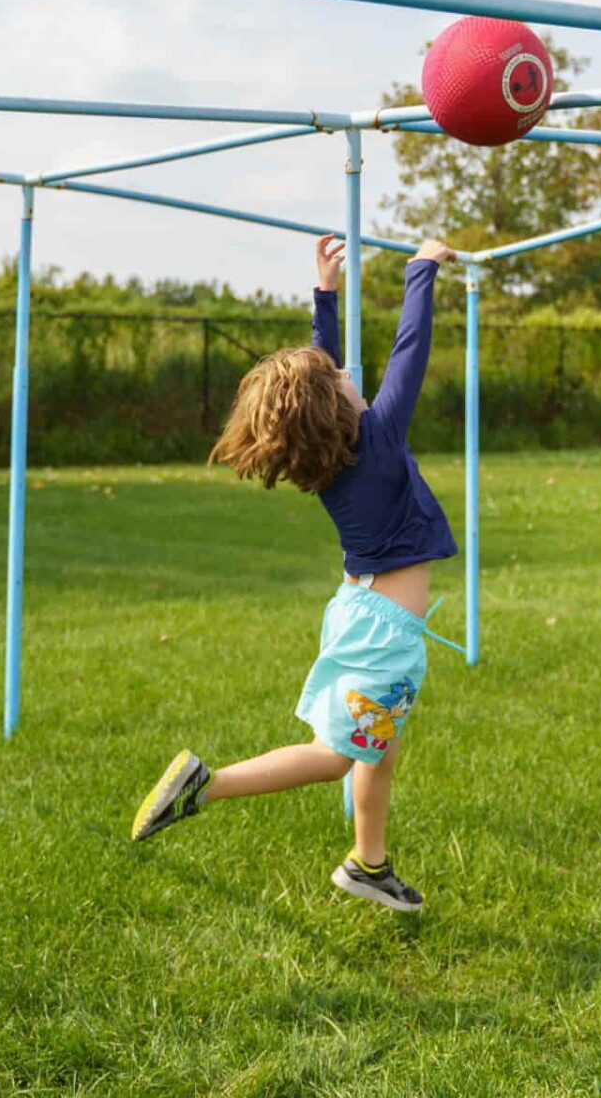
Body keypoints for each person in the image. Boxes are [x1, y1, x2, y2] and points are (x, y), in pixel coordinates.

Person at [130, 233, 458, 913]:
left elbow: (322, 373)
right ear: (335, 407)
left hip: (360, 612)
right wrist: (421, 269)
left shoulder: (337, 453)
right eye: (341, 379)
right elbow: (410, 353)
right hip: (383, 637)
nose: (349, 375)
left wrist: (327, 294)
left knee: (377, 749)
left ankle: (369, 867)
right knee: (338, 755)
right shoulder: (379, 439)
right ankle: (204, 786)